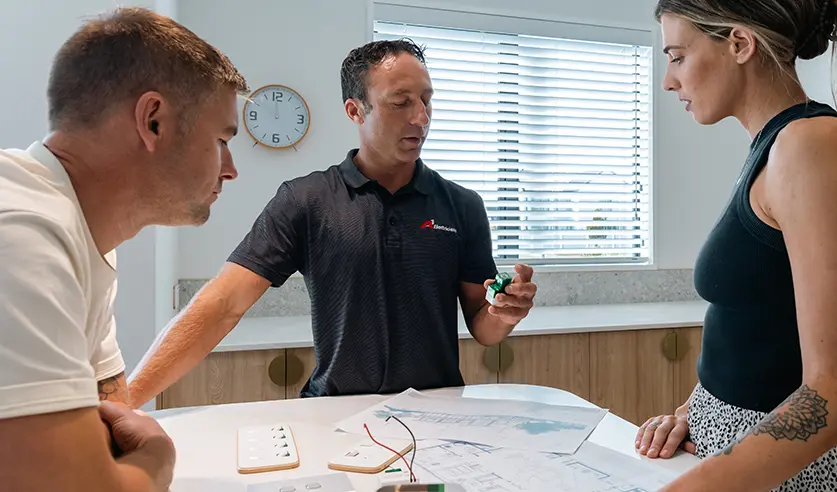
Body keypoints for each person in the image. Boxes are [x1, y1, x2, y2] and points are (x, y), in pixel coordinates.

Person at [127, 39, 538, 406]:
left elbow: (483, 328)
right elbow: (222, 303)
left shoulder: (463, 205)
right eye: (401, 102)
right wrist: (123, 403)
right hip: (333, 411)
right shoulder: (306, 201)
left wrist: (504, 313)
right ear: (355, 110)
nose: (421, 117)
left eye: (426, 100)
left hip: (439, 410)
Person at [0, 7, 248, 491]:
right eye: (221, 139)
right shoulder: (23, 233)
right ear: (153, 121)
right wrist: (158, 458)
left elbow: (112, 414)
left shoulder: (85, 237)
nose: (230, 169)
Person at [634, 0, 837, 490]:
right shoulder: (774, 147)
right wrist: (693, 410)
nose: (668, 81)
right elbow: (756, 331)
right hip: (738, 455)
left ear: (739, 44)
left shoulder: (813, 146)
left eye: (677, 57)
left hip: (798, 475)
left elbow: (835, 394)